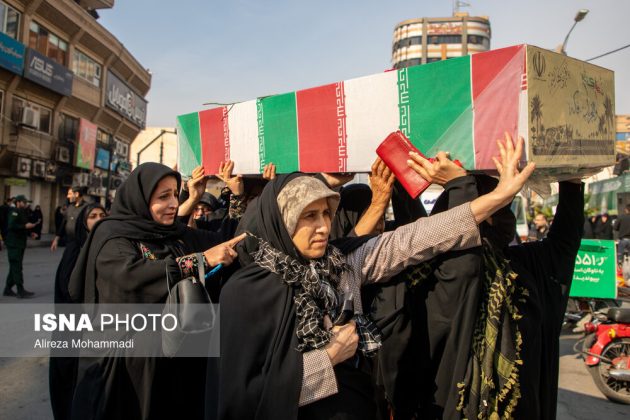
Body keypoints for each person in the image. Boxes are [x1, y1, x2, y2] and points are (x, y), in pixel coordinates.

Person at [212, 136, 534, 419]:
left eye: (327, 213)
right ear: (281, 221)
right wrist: (329, 357)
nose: (324, 226)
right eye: (309, 216)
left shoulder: (341, 263)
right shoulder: (245, 293)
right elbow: (246, 400)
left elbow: (418, 238)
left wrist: (498, 196)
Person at [67, 162, 245, 420]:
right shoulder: (113, 236)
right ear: (139, 198)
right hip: (127, 370)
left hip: (173, 365)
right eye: (164, 197)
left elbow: (227, 240)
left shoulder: (171, 233)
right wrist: (200, 261)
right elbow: (133, 277)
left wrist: (236, 195)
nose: (173, 203)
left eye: (175, 194)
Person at [49, 203, 107, 420]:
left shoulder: (107, 246)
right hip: (73, 329)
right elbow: (68, 290)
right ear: (84, 221)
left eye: (102, 215)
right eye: (93, 216)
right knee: (70, 383)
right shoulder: (76, 248)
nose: (99, 219)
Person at [3, 195, 38, 298]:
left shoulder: (22, 212)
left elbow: (23, 226)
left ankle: (8, 289)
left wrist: (30, 233)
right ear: (18, 202)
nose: (26, 204)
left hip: (20, 244)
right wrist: (24, 226)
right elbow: (11, 225)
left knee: (14, 267)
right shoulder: (13, 211)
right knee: (17, 267)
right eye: (24, 202)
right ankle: (20, 290)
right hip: (14, 244)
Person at [51, 186, 89, 252]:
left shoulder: (87, 208)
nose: (68, 196)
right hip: (69, 243)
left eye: (70, 194)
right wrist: (56, 239)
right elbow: (63, 223)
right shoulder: (70, 207)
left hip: (81, 246)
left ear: (76, 194)